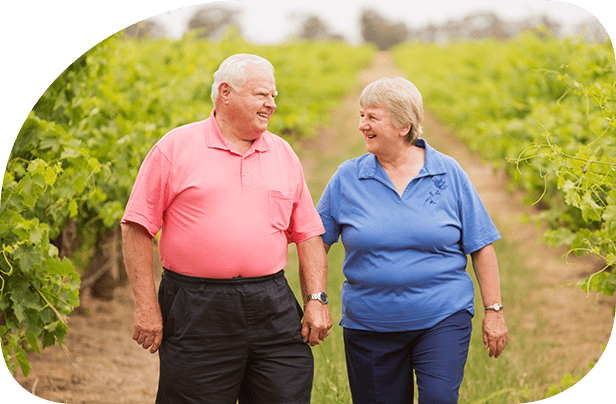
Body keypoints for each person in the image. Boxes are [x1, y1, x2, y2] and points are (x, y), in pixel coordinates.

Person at [121, 54, 333, 404]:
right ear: (226, 93)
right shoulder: (175, 148)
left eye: (274, 96)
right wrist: (146, 307)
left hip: (272, 302)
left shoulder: (282, 153)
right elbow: (137, 228)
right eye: (263, 95)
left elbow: (308, 233)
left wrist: (316, 300)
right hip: (197, 305)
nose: (272, 104)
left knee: (286, 393)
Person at [316, 77, 509, 404]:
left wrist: (493, 310)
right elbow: (317, 241)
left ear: (404, 124)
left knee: (438, 398)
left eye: (372, 117)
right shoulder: (348, 177)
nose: (362, 125)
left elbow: (481, 244)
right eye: (361, 116)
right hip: (370, 323)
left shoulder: (448, 173)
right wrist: (316, 298)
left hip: (442, 315)